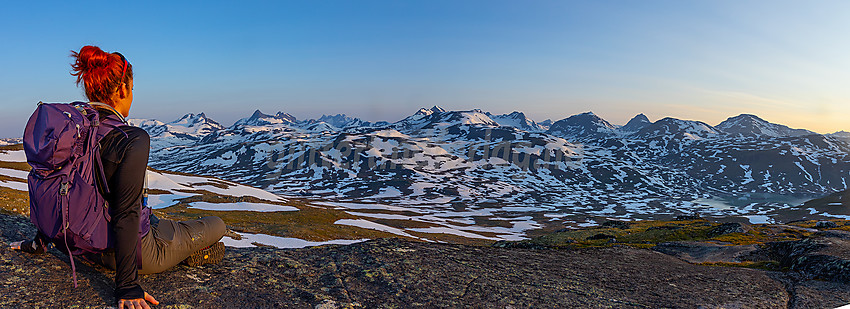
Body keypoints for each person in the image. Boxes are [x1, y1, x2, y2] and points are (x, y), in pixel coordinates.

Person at [11, 45, 227, 309]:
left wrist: (38, 242)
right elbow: (126, 213)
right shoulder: (131, 138)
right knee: (217, 224)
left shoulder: (73, 129)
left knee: (160, 221)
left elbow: (60, 185)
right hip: (128, 254)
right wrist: (127, 286)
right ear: (123, 90)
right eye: (133, 89)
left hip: (78, 246)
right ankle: (191, 253)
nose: (132, 95)